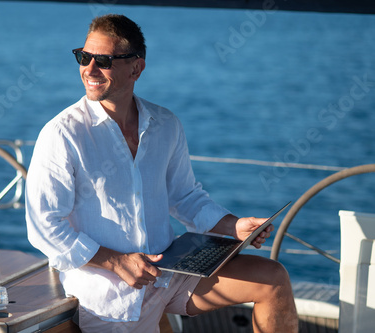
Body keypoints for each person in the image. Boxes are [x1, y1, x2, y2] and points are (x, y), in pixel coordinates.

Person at [25, 14, 298, 333]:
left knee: (273, 279)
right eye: (83, 57)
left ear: (136, 68)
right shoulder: (62, 134)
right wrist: (117, 261)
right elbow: (43, 225)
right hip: (108, 294)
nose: (89, 69)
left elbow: (185, 196)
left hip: (170, 274)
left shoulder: (165, 124)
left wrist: (233, 225)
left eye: (104, 60)